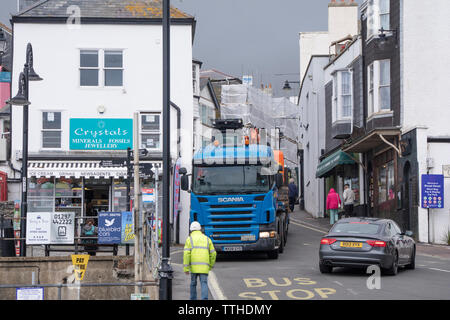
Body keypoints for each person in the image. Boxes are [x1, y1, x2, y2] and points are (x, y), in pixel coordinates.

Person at [183, 221, 217, 300]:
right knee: (204, 283)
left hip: (193, 267)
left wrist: (186, 268)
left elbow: (186, 255)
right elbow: (213, 254)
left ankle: (193, 299)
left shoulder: (189, 239)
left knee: (193, 284)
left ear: (191, 229)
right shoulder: (207, 239)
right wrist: (210, 265)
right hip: (204, 267)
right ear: (200, 229)